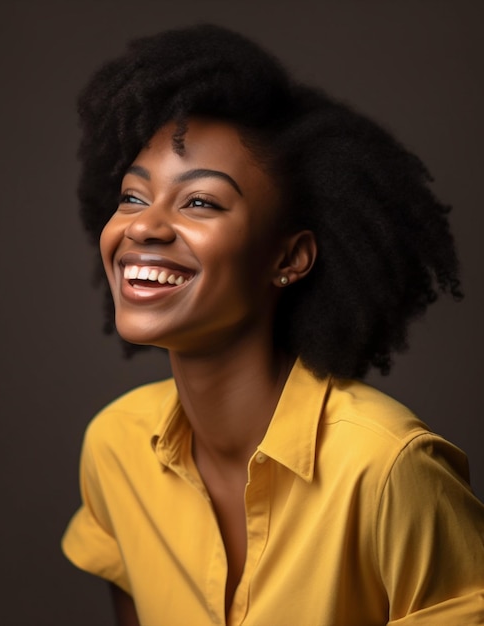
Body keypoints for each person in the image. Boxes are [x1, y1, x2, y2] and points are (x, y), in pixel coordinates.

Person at [61, 23, 484, 626]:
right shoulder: (115, 449)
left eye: (200, 201)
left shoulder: (388, 469)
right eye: (132, 196)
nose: (144, 227)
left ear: (288, 259)